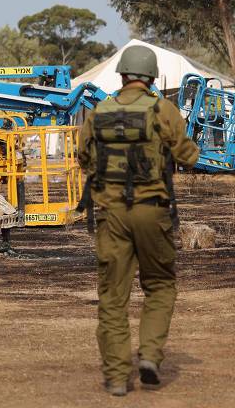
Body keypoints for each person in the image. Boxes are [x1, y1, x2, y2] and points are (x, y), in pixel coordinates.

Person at [77, 45, 199, 396]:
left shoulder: (98, 112)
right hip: (153, 212)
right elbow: (188, 155)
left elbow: (83, 157)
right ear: (151, 77)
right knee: (160, 285)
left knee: (113, 296)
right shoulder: (163, 110)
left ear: (122, 75)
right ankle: (148, 357)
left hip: (110, 216)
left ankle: (117, 377)